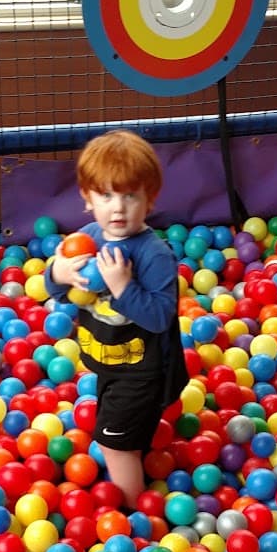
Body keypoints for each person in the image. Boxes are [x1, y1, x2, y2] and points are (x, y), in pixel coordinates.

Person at [44, 130, 188, 502]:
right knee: (125, 431)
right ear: (87, 198)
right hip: (108, 361)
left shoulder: (153, 254)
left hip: (142, 371)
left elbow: (161, 317)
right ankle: (136, 444)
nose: (118, 208)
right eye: (106, 195)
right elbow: (59, 290)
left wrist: (123, 287)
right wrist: (58, 273)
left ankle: (131, 513)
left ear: (150, 199)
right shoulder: (87, 238)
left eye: (130, 195)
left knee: (114, 445)